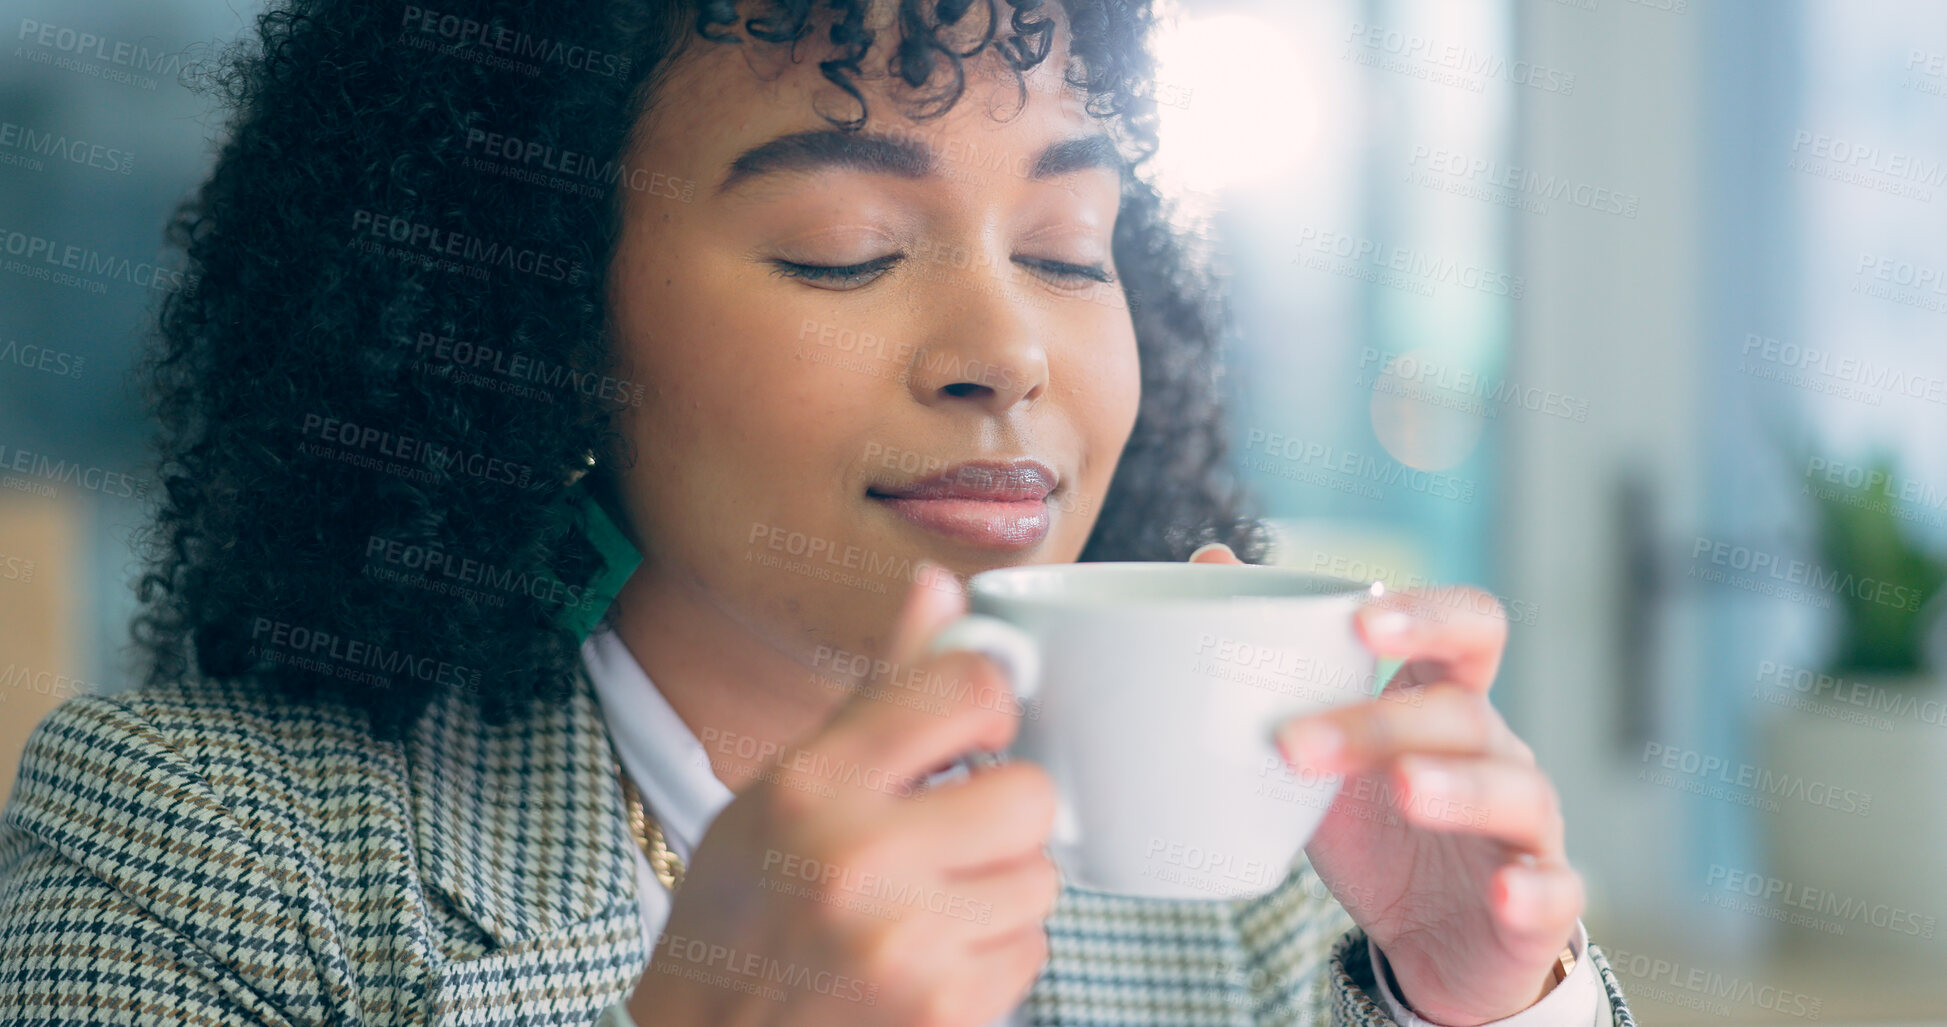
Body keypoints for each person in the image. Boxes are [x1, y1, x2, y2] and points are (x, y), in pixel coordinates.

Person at [0, 2, 1635, 1024]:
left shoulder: (1268, 878)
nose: (1008, 354)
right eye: (843, 249)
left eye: (1071, 250)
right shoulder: (199, 854)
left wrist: (1480, 1004)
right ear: (536, 321)